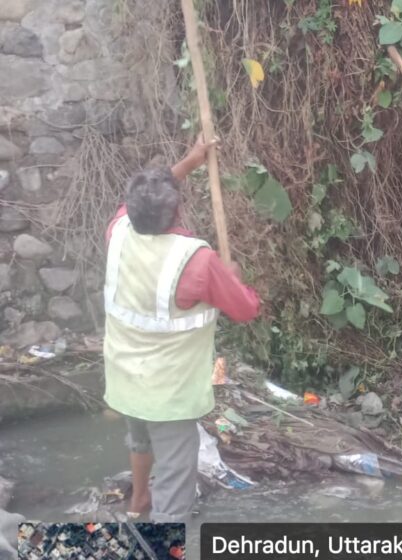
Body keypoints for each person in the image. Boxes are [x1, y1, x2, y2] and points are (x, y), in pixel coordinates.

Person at [103, 136, 261, 522]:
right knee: (175, 481)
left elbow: (145, 198)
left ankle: (139, 500)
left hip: (125, 375)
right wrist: (233, 278)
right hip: (169, 394)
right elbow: (246, 309)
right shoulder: (197, 261)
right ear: (177, 212)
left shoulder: (120, 229)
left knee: (139, 439)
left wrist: (190, 162)